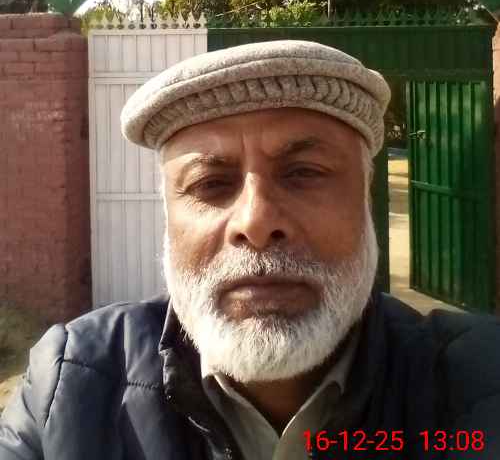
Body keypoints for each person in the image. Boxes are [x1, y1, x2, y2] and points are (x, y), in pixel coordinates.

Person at [1, 39, 499, 460]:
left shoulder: (483, 381)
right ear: (168, 219)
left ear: (365, 200)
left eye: (304, 173)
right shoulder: (66, 388)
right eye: (210, 184)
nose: (256, 223)